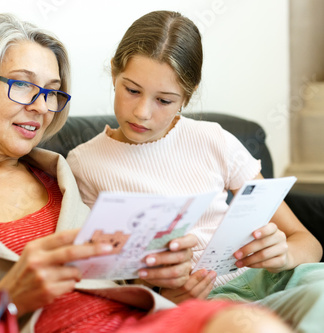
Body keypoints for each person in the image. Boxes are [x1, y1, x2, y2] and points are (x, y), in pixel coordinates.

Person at [0, 13, 291, 333]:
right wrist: (9, 298)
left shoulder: (63, 176)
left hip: (143, 323)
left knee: (252, 322)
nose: (42, 106)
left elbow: (121, 282)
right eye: (25, 84)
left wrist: (172, 288)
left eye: (51, 91)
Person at [66, 10, 324, 332]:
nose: (142, 112)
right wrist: (164, 294)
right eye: (131, 90)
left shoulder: (213, 139)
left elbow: (309, 243)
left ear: (186, 97)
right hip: (206, 305)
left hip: (278, 281)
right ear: (114, 73)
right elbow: (103, 279)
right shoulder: (84, 164)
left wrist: (282, 254)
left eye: (164, 100)